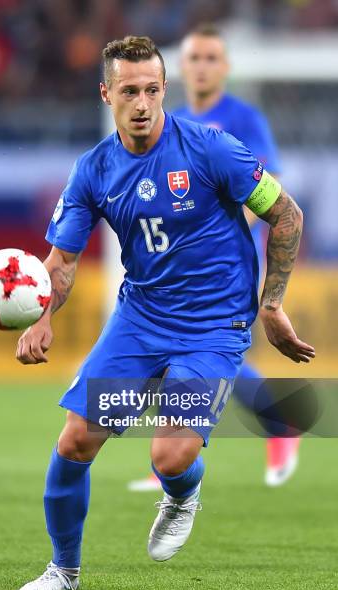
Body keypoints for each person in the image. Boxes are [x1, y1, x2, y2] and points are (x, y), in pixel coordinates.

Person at [16, 36, 315, 590]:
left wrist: (270, 303)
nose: (142, 103)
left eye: (152, 90)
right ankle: (64, 569)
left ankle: (182, 493)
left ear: (164, 90)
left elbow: (287, 213)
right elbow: (62, 260)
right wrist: (41, 315)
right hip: (140, 321)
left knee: (171, 456)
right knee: (75, 440)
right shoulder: (93, 171)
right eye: (129, 91)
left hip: (214, 325)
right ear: (107, 93)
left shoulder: (211, 148)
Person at [128, 25, 299, 492]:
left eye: (211, 58)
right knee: (172, 354)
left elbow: (272, 187)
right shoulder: (169, 119)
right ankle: (173, 454)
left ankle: (279, 423)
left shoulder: (242, 119)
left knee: (203, 348)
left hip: (223, 263)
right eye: (194, 58)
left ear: (224, 68)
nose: (201, 66)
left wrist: (218, 229)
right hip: (174, 265)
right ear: (180, 68)